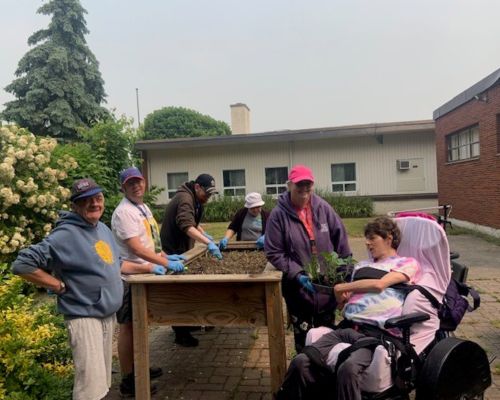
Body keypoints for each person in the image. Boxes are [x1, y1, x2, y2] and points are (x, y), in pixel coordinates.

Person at [276, 217, 435, 400]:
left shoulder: (406, 263)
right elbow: (345, 303)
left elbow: (380, 285)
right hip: (347, 327)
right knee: (300, 361)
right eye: (366, 238)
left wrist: (342, 287)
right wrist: (341, 298)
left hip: (375, 335)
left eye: (372, 238)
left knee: (348, 368)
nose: (367, 243)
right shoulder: (361, 266)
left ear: (389, 239)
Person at [11, 178, 127, 400]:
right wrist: (56, 284)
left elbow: (117, 263)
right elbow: (22, 264)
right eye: (86, 200)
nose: (94, 204)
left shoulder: (101, 228)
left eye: (98, 198)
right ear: (75, 206)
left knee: (101, 383)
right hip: (84, 317)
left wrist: (155, 264)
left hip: (106, 315)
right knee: (89, 389)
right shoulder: (65, 235)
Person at [111, 167, 185, 396]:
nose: (136, 186)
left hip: (144, 273)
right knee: (128, 327)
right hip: (129, 277)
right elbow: (136, 248)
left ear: (144, 183)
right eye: (130, 183)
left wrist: (164, 256)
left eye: (139, 181)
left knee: (140, 324)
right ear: (123, 187)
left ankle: (139, 367)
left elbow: (150, 242)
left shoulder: (142, 207)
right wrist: (161, 264)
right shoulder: (124, 212)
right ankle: (128, 379)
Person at [265, 164, 351, 352]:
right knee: (304, 341)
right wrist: (297, 274)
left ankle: (326, 373)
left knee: (328, 337)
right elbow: (274, 252)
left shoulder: (323, 208)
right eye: (299, 188)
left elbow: (342, 242)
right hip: (298, 290)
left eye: (308, 188)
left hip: (326, 288)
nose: (304, 192)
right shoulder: (278, 215)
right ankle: (304, 372)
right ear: (289, 186)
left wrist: (344, 276)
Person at [160, 173, 222, 347]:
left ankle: (186, 324)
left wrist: (202, 233)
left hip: (182, 249)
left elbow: (193, 223)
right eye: (206, 193)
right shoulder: (185, 198)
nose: (208, 197)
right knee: (178, 291)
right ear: (197, 187)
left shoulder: (194, 199)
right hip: (173, 251)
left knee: (184, 288)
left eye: (211, 194)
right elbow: (186, 224)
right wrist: (208, 242)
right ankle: (181, 333)